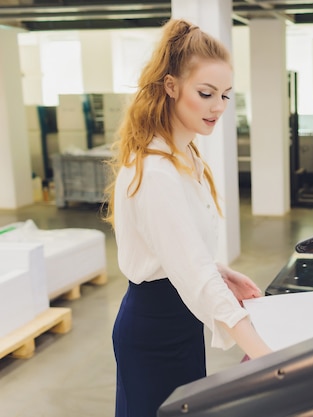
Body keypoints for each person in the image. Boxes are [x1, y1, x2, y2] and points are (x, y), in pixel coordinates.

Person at [103, 18, 272, 417]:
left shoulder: (188, 155)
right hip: (153, 329)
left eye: (226, 96)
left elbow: (177, 248)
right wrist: (268, 356)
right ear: (172, 86)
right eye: (207, 93)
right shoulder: (157, 171)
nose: (218, 107)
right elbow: (192, 275)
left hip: (180, 321)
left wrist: (219, 271)